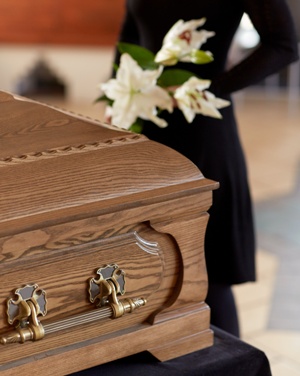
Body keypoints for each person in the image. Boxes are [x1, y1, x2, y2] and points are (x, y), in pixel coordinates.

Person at [112, 0, 299, 337]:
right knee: (147, 269)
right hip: (146, 132)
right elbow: (129, 37)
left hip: (204, 132)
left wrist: (207, 90)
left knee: (209, 273)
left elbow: (283, 45)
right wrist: (117, 105)